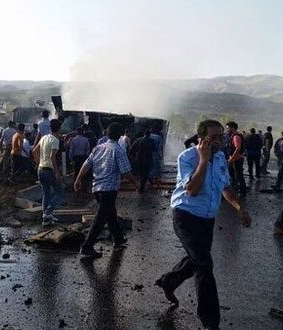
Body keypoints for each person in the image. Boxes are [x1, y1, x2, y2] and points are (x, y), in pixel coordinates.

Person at [155, 119, 252, 330]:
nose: (219, 141)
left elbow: (225, 187)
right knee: (204, 265)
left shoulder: (219, 158)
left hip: (207, 219)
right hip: (186, 216)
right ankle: (210, 321)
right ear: (201, 139)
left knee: (197, 259)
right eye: (213, 138)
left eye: (221, 137)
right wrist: (202, 161)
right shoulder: (187, 158)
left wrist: (240, 209)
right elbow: (192, 190)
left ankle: (169, 281)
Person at [74, 122, 139, 258]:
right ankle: (87, 246)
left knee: (110, 215)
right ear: (120, 134)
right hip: (109, 190)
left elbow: (86, 165)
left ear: (107, 133)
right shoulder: (118, 150)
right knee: (100, 219)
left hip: (97, 188)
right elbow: (126, 172)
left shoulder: (98, 148)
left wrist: (78, 179)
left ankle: (118, 238)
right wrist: (136, 183)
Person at [32, 119, 63, 225]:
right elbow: (52, 157)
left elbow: (34, 151)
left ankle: (45, 219)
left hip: (40, 169)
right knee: (59, 192)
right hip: (49, 170)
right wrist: (58, 172)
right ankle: (48, 212)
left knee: (46, 194)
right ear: (59, 128)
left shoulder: (44, 137)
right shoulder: (55, 140)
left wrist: (38, 162)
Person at [225, 122, 246, 198]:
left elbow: (238, 148)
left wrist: (232, 158)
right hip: (234, 159)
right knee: (231, 175)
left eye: (228, 128)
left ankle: (242, 192)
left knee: (238, 176)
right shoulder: (232, 136)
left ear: (232, 128)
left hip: (237, 159)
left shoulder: (236, 137)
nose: (227, 129)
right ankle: (234, 189)